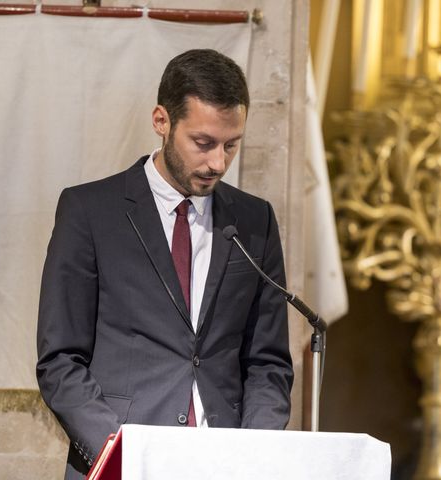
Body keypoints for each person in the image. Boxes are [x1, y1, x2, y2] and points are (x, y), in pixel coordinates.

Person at [36, 49, 293, 479]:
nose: (218, 163)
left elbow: (268, 362)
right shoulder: (89, 211)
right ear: (162, 121)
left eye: (231, 145)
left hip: (226, 463)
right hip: (123, 461)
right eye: (203, 143)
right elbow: (60, 360)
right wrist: (121, 455)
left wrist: (254, 455)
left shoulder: (255, 220)